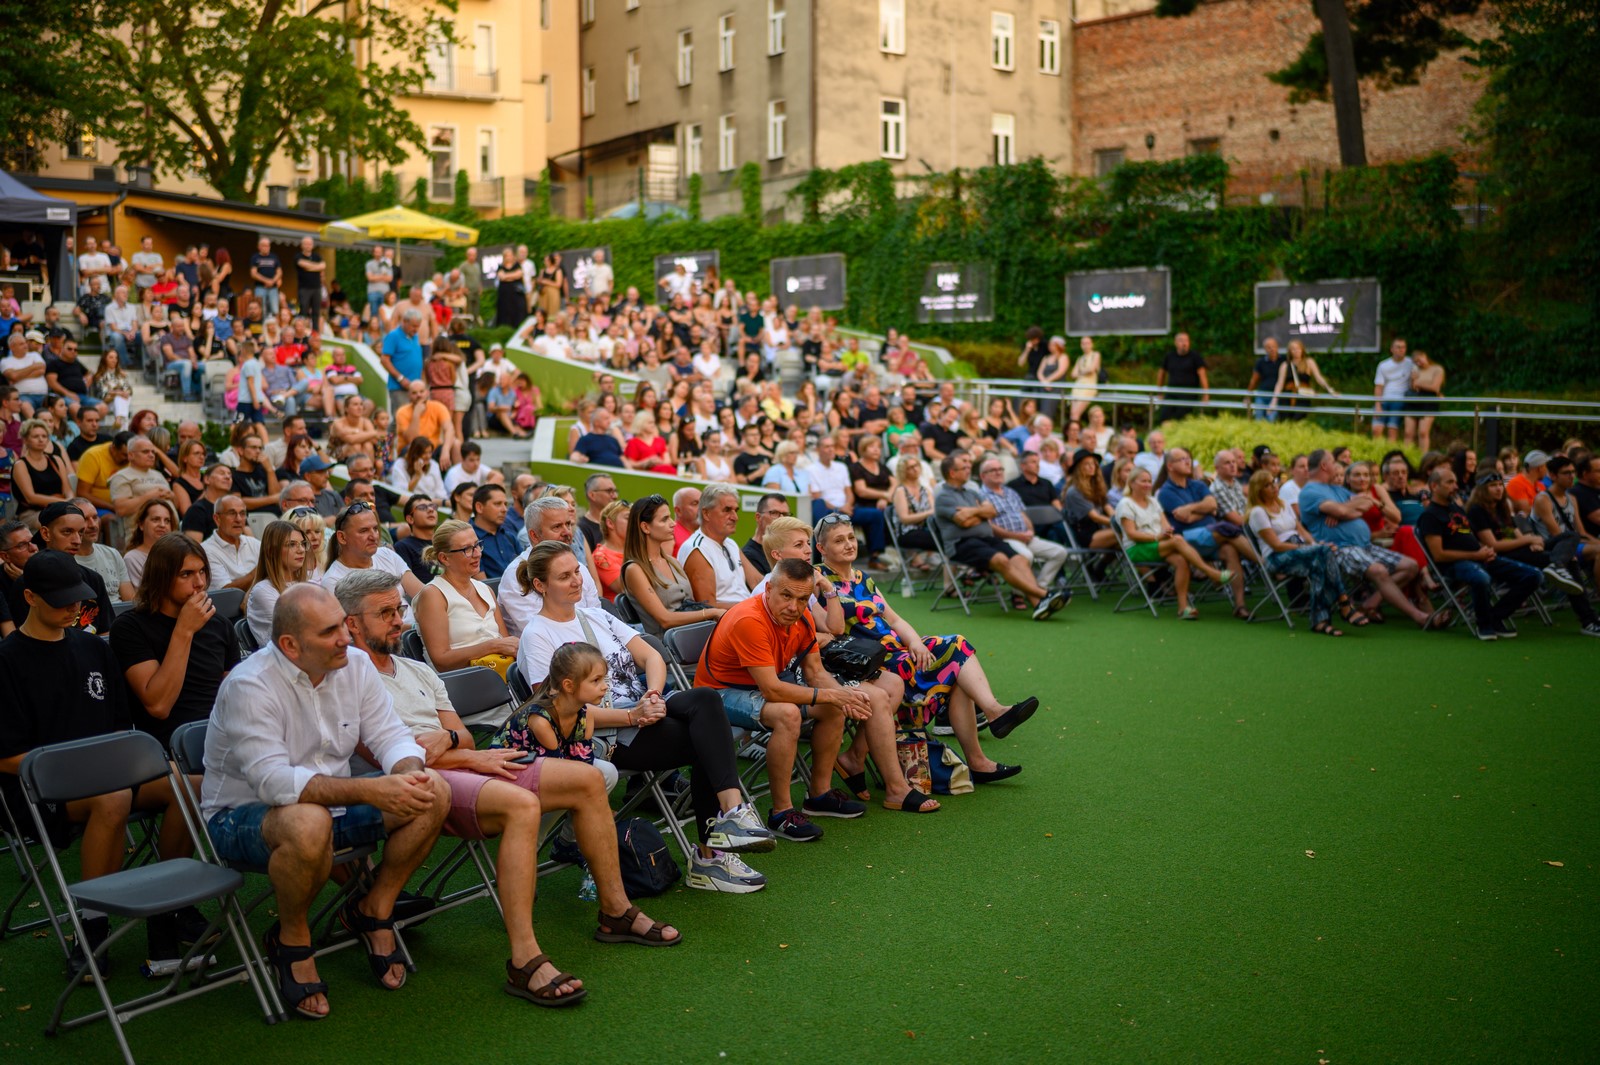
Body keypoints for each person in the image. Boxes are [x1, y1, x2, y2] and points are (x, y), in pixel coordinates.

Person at [341, 572, 649, 1005]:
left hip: (456, 765)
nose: (399, 620)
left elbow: (464, 737)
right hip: (408, 783)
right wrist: (463, 754)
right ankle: (524, 958)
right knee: (522, 805)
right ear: (351, 623)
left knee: (588, 778)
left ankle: (615, 910)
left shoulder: (417, 670)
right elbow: (384, 755)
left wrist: (452, 743)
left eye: (399, 609)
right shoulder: (346, 679)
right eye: (385, 613)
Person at [202, 584, 449, 1017]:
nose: (345, 638)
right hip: (239, 817)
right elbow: (274, 783)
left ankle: (374, 909)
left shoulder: (354, 664)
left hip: (329, 807)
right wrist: (371, 789)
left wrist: (408, 773)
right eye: (330, 631)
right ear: (290, 645)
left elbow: (390, 735)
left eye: (342, 625)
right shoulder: (250, 684)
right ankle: (292, 938)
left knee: (433, 790)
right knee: (308, 821)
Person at [507, 542, 777, 890]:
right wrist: (633, 716)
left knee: (706, 700)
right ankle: (711, 854)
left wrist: (652, 695)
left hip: (643, 708)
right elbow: (559, 711)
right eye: (564, 576)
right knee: (707, 740)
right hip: (606, 734)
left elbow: (651, 657)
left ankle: (731, 817)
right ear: (540, 585)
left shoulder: (595, 616)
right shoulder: (537, 636)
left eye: (577, 571)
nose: (577, 580)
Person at [0, 549, 210, 976]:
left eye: (78, 598)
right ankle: (92, 927)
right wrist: (86, 769)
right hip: (38, 788)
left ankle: (170, 904)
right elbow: (7, 758)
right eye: (61, 600)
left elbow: (119, 727)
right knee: (113, 798)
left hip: (105, 774)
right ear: (30, 598)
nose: (74, 608)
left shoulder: (94, 648)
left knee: (191, 783)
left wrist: (113, 763)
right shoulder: (7, 661)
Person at [815, 516, 1039, 793]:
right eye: (839, 540)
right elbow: (828, 629)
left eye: (851, 537)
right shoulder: (818, 578)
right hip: (866, 661)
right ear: (821, 548)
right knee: (953, 667)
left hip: (895, 650)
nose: (849, 544)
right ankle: (983, 746)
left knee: (956, 650)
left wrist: (915, 642)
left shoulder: (863, 578)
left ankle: (989, 726)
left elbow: (895, 620)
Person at [696, 558, 876, 842]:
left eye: (802, 599)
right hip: (717, 694)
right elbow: (772, 691)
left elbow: (815, 672)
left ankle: (819, 795)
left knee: (833, 708)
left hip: (761, 686)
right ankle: (781, 813)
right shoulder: (750, 619)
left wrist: (845, 697)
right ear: (768, 589)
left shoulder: (802, 618)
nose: (794, 607)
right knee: (788, 714)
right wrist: (833, 694)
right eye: (786, 596)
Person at [111, 533, 240, 753]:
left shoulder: (220, 625)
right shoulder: (129, 628)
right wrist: (184, 630)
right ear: (161, 577)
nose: (199, 583)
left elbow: (234, 699)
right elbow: (159, 706)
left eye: (202, 571)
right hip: (168, 751)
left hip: (220, 742)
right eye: (186, 574)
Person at [1300, 448, 1438, 628]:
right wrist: (1346, 509)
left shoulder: (1335, 489)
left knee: (1410, 566)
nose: (1337, 466)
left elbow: (1365, 503)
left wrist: (1349, 508)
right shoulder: (1310, 491)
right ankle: (1420, 617)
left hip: (1365, 546)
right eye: (1333, 462)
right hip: (1341, 548)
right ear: (1324, 466)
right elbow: (1345, 510)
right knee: (1379, 571)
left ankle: (1370, 603)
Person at [934, 454, 1066, 620]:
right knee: (1001, 559)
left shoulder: (971, 492)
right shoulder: (943, 497)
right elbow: (963, 522)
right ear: (952, 473)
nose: (969, 470)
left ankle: (1038, 604)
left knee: (1020, 559)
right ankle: (1044, 594)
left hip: (986, 539)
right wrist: (981, 513)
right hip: (961, 544)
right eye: (964, 468)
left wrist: (973, 512)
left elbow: (992, 511)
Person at [1417, 466, 1541, 640]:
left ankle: (1495, 617)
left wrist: (1485, 550)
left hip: (1480, 557)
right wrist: (1476, 556)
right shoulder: (1430, 516)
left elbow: (1470, 538)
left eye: (1455, 482)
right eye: (1450, 482)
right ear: (1434, 486)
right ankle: (1484, 624)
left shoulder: (1456, 509)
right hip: (1455, 565)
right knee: (1481, 578)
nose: (1455, 486)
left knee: (1534, 576)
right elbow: (1439, 555)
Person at [1245, 471, 1353, 636]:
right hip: (1277, 557)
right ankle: (1344, 601)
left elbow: (1300, 530)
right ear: (1258, 491)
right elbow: (1276, 545)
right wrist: (1307, 548)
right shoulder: (1258, 512)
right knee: (1323, 553)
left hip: (1299, 550)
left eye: (1273, 482)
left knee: (1321, 562)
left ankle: (1320, 622)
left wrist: (1315, 545)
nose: (1274, 486)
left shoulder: (1283, 504)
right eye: (1267, 485)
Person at [1155, 449, 1258, 618]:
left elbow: (1213, 505)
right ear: (1170, 466)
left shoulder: (1198, 485)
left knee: (1230, 550)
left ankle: (1240, 605)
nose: (1188, 462)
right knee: (1226, 529)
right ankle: (1263, 563)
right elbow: (1185, 518)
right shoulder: (1166, 491)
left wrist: (1191, 508)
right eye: (1182, 459)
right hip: (1187, 540)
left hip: (1210, 537)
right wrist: (1205, 511)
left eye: (1188, 458)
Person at [414, 519, 519, 673]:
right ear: (444, 558)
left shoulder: (485, 589)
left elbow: (507, 643)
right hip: (460, 682)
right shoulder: (433, 594)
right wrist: (492, 646)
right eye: (467, 549)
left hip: (500, 673)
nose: (477, 554)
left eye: (477, 545)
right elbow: (441, 660)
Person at [621, 494, 726, 637]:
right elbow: (665, 619)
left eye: (670, 517)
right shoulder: (634, 569)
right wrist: (712, 612)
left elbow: (692, 603)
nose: (673, 523)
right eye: (664, 519)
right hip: (668, 643)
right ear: (645, 527)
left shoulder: (672, 561)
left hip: (695, 634)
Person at [977, 456, 1069, 591]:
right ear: (983, 476)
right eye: (993, 470)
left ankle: (1039, 587)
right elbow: (989, 526)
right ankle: (1024, 592)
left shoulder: (1010, 492)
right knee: (1026, 556)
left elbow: (1023, 515)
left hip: (1025, 537)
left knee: (1060, 552)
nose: (998, 472)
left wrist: (1030, 532)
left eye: (1000, 469)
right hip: (1004, 540)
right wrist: (1016, 536)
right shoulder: (980, 496)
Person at [320, 500, 424, 603]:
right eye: (364, 531)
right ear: (342, 537)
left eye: (375, 529)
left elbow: (423, 595)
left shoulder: (387, 555)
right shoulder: (333, 580)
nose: (374, 536)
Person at [677, 483, 759, 608]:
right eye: (727, 510)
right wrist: (751, 607)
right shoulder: (697, 549)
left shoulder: (730, 543)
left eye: (736, 510)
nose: (735, 517)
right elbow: (708, 606)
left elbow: (757, 582)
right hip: (728, 617)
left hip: (745, 610)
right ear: (706, 514)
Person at [244, 520, 313, 648]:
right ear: (271, 551)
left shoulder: (310, 583)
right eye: (292, 544)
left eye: (303, 544)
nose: (301, 550)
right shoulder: (262, 591)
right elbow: (294, 632)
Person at [71, 498, 135, 603]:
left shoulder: (112, 554)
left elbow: (130, 602)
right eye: (85, 519)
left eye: (95, 517)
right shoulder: (65, 562)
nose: (93, 525)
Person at [201, 495, 260, 591]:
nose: (238, 519)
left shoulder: (254, 544)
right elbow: (225, 593)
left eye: (242, 513)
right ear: (217, 519)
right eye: (232, 513)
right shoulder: (206, 551)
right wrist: (260, 569)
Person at [124, 497, 180, 588]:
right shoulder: (132, 559)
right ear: (141, 524)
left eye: (167, 521)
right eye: (156, 519)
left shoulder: (179, 555)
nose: (162, 525)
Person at [470, 483, 520, 582]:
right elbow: (482, 584)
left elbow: (526, 570)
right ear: (479, 507)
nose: (504, 509)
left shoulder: (509, 537)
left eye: (505, 504)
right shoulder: (468, 540)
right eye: (497, 504)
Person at [1155, 331, 1208, 422]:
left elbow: (1202, 375)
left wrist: (1206, 394)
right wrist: (1159, 391)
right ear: (1175, 343)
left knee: (1180, 418)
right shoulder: (1170, 356)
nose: (1184, 343)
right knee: (1164, 417)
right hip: (1172, 392)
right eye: (1181, 341)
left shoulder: (1195, 357)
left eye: (1186, 341)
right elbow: (1161, 373)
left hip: (1188, 394)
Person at [1372, 338, 1415, 442]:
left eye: (1403, 347)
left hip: (1400, 400)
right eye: (1398, 347)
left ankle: (1391, 451)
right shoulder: (1383, 365)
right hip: (1384, 399)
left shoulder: (1411, 363)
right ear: (1392, 349)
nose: (1401, 350)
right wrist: (1377, 405)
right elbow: (1379, 386)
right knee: (1376, 430)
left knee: (1392, 430)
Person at [392, 495, 439, 584]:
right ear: (410, 519)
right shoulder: (403, 547)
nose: (431, 510)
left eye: (432, 506)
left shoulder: (446, 543)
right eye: (422, 507)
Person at [743, 493, 791, 577]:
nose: (781, 519)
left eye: (785, 514)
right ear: (758, 517)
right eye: (774, 513)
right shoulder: (748, 556)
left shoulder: (786, 552)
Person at [1406, 350, 1444, 451]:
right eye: (1416, 362)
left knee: (1423, 432)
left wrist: (1418, 383)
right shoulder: (1415, 370)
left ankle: (1423, 456)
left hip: (1429, 401)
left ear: (1424, 356)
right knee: (1408, 433)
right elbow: (1413, 387)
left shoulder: (1437, 369)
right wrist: (1414, 381)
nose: (1419, 363)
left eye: (1419, 360)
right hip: (1414, 400)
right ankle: (1408, 455)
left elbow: (1435, 387)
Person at [1247, 338, 1282, 421]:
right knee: (1258, 418)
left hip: (1276, 396)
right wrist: (1248, 395)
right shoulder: (1260, 362)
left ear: (1277, 347)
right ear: (1265, 349)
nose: (1272, 349)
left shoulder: (1283, 361)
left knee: (1271, 419)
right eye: (1269, 347)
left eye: (1273, 346)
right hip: (1262, 394)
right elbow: (1254, 380)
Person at [1505, 450, 1548, 516]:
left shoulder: (1540, 485)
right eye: (1546, 467)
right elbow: (1526, 511)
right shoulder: (1516, 483)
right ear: (1540, 468)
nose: (1547, 470)